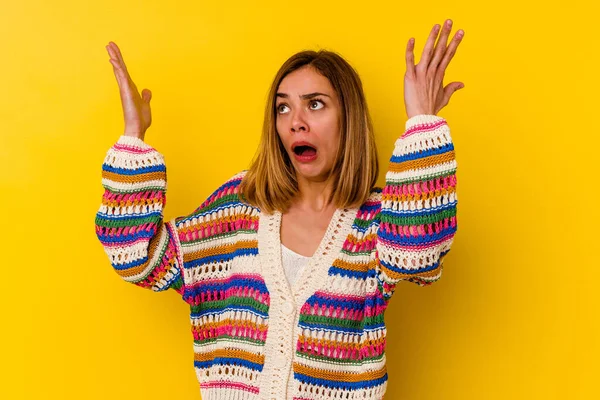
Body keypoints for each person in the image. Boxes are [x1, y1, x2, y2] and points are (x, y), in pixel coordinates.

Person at [95, 19, 463, 400]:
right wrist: (133, 136)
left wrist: (422, 120)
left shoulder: (375, 224)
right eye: (282, 108)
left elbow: (418, 252)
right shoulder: (238, 211)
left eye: (314, 105)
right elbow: (136, 256)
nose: (295, 123)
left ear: (348, 118)